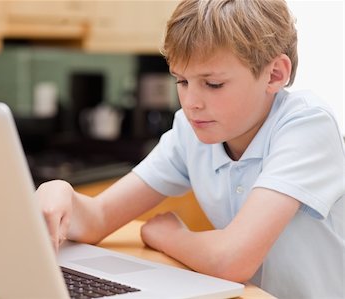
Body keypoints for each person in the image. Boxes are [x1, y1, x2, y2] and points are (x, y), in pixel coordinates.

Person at [36, 0, 345, 298]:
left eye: (212, 84)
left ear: (274, 74)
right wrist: (62, 192)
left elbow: (232, 260)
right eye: (182, 81)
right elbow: (99, 218)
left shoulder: (306, 125)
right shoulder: (190, 130)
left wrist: (170, 236)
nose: (191, 103)